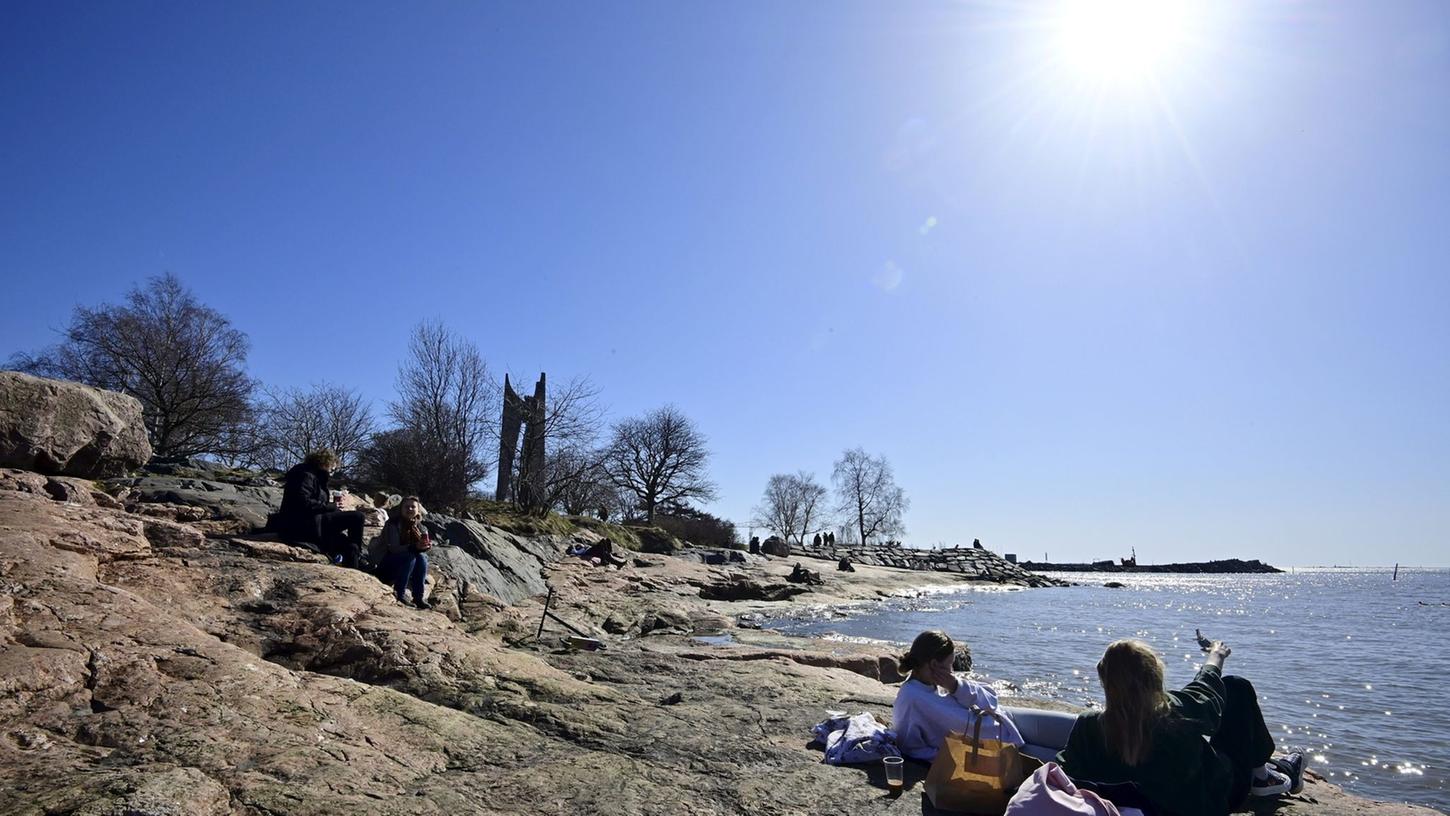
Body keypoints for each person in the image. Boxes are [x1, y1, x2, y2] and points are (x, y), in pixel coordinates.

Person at [1056, 638, 1303, 816]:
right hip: (1213, 802)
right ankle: (1263, 776)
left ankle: (1266, 772)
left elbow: (1064, 773)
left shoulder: (1088, 725)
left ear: (1105, 681)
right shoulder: (1176, 712)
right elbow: (1207, 687)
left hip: (1141, 806)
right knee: (1236, 687)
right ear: (1155, 676)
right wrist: (1216, 654)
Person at [893, 630, 1028, 762]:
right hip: (1001, 745)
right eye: (950, 664)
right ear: (934, 664)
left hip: (1006, 721)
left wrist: (956, 686)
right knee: (1046, 755)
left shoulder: (942, 682)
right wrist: (960, 757)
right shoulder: (911, 699)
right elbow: (910, 748)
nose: (952, 671)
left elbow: (992, 701)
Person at [277, 449, 365, 568]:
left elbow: (315, 501)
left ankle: (355, 569)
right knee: (357, 517)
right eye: (332, 468)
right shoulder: (305, 475)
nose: (332, 472)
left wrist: (334, 508)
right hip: (302, 525)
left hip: (313, 520)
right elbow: (302, 502)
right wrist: (333, 506)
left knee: (351, 546)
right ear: (325, 463)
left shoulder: (313, 474)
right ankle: (358, 559)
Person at [380, 496, 432, 609]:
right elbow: (393, 549)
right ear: (401, 509)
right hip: (387, 562)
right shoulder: (393, 524)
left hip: (406, 561)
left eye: (413, 507)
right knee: (410, 557)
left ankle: (418, 597)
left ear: (418, 510)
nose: (409, 509)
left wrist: (425, 546)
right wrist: (415, 546)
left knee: (422, 557)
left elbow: (419, 549)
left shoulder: (418, 525)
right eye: (406, 507)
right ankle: (400, 593)